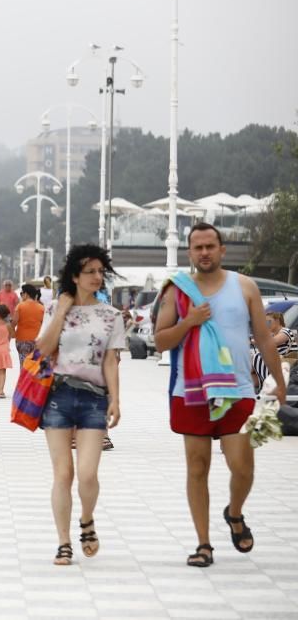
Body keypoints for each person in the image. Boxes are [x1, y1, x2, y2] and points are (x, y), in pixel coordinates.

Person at [154, 222, 286, 568]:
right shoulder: (177, 291)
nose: (204, 252)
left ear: (222, 250)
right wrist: (189, 322)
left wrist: (278, 381)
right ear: (190, 252)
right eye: (197, 247)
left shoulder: (244, 287)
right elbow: (160, 340)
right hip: (192, 391)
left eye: (210, 246)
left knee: (242, 467)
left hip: (238, 388)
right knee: (197, 468)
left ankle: (235, 512)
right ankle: (203, 544)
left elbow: (264, 337)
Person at [35, 243, 123, 566]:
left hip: (94, 399)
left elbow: (111, 361)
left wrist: (115, 398)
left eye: (101, 271)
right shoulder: (58, 311)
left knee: (87, 474)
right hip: (58, 396)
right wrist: (60, 311)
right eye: (90, 272)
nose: (97, 277)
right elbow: (43, 348)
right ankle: (63, 542)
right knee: (63, 473)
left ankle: (87, 519)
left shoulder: (111, 315)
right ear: (74, 276)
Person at [251, 311, 296, 392]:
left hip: (282, 363)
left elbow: (273, 342)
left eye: (268, 322)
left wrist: (256, 341)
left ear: (277, 321)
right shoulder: (271, 334)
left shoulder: (286, 331)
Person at [15, 284, 46, 363]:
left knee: (24, 366)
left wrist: (11, 333)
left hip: (22, 340)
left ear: (26, 294)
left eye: (22, 293)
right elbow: (45, 325)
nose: (21, 295)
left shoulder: (20, 306)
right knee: (35, 366)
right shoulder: (42, 308)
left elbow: (14, 322)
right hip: (37, 341)